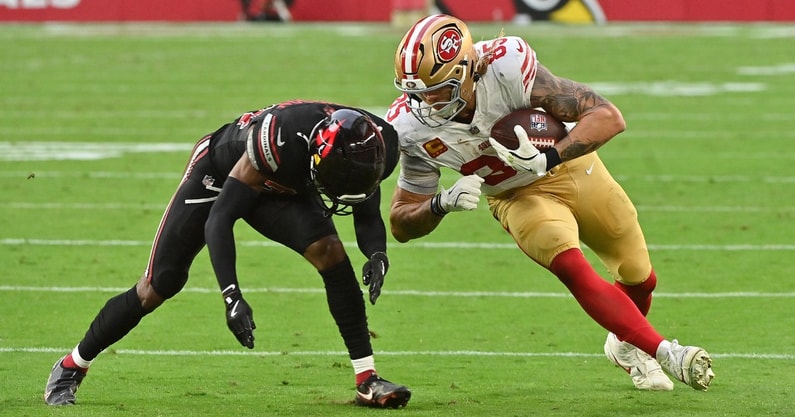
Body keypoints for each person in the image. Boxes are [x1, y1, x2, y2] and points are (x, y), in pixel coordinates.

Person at [386, 14, 715, 392]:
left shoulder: (506, 68)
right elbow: (400, 223)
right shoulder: (410, 128)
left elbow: (607, 117)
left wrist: (549, 158)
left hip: (572, 169)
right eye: (416, 91)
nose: (424, 102)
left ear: (466, 69)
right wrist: (439, 204)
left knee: (640, 276)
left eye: (437, 89)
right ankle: (665, 352)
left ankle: (623, 346)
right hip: (514, 196)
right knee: (571, 265)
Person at [44, 101, 411, 409]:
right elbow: (220, 219)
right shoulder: (278, 142)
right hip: (221, 173)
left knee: (330, 252)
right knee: (158, 285)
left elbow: (364, 201)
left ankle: (367, 379)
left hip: (287, 181)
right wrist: (232, 296)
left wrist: (376, 253)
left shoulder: (375, 144)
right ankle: (72, 365)